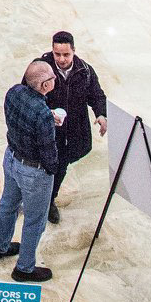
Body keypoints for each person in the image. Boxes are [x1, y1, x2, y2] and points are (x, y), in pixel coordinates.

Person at [0, 61, 58, 282]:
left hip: (11, 158)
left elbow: (23, 116)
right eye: (52, 77)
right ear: (45, 85)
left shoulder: (13, 92)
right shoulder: (43, 115)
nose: (55, 79)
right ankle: (24, 268)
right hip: (33, 172)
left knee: (8, 204)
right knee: (35, 220)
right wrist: (53, 169)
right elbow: (48, 151)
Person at [40, 30, 107, 223]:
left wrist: (101, 114)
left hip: (74, 127)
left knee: (66, 160)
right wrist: (46, 113)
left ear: (74, 51)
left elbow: (97, 95)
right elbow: (29, 94)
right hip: (49, 129)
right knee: (54, 164)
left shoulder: (84, 71)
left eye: (66, 54)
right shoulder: (42, 69)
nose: (61, 59)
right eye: (57, 54)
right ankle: (44, 198)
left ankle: (49, 195)